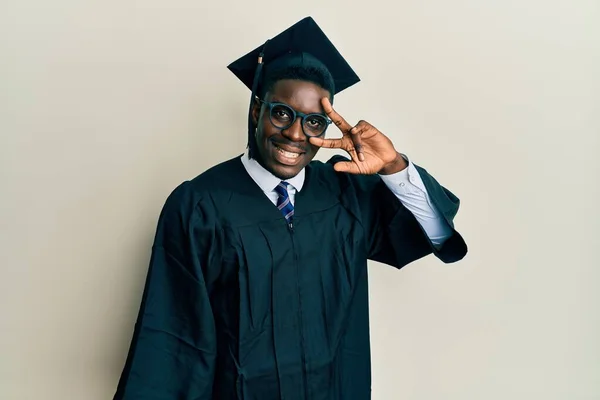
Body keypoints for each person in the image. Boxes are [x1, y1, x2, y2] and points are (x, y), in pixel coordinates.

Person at [114, 16, 467, 400]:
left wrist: (394, 165)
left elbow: (434, 233)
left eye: (314, 122)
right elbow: (174, 338)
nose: (296, 135)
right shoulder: (200, 204)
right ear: (256, 112)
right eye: (282, 113)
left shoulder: (344, 194)